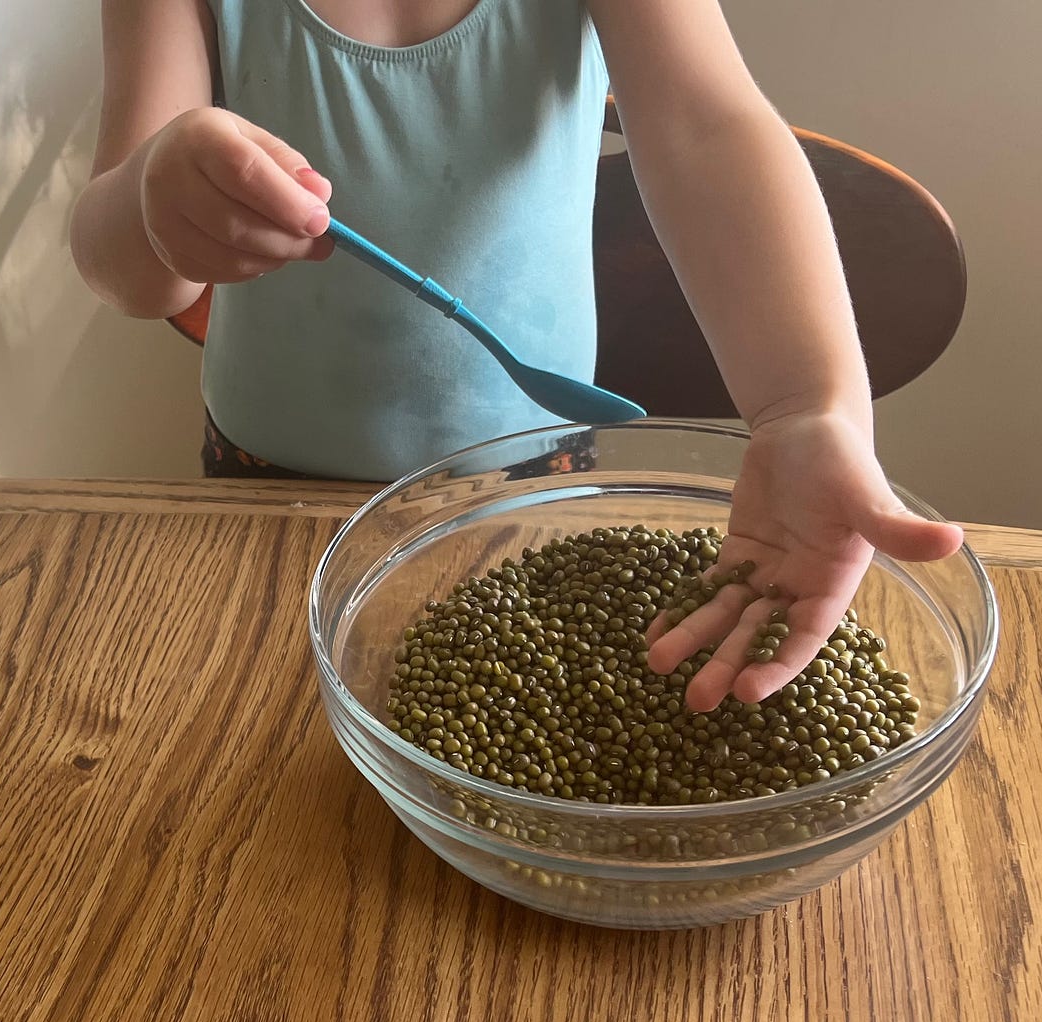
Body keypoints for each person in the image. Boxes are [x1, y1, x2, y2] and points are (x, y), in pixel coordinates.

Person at [68, 0, 964, 712]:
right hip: (266, 492)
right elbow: (133, 276)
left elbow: (707, 129)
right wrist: (155, 201)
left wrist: (809, 403)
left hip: (531, 487)